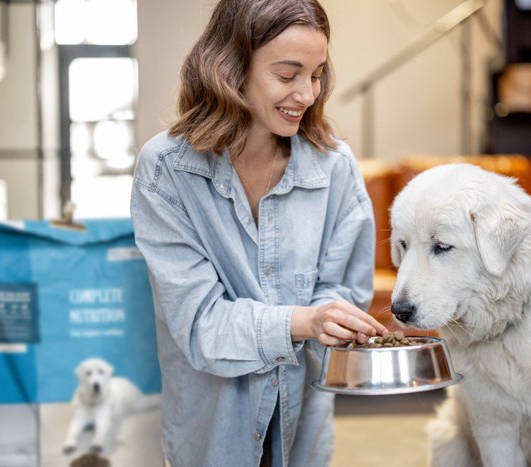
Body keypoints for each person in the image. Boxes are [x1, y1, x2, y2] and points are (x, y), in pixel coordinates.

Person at [129, 0, 388, 466]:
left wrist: (331, 317)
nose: (307, 94)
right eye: (288, 75)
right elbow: (199, 323)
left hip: (301, 425)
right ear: (230, 68)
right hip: (211, 431)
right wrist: (304, 321)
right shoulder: (167, 171)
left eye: (317, 74)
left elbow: (342, 289)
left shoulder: (335, 168)